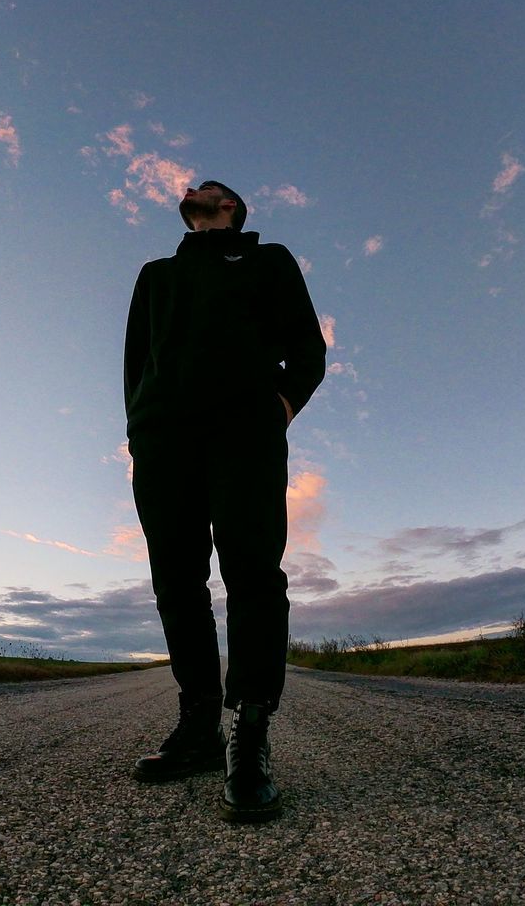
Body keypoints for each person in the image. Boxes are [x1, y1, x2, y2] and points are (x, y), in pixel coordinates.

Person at [123, 180, 326, 822]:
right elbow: (135, 363)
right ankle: (199, 731)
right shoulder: (156, 275)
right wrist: (141, 427)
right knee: (176, 582)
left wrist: (281, 407)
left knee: (252, 574)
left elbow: (308, 349)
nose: (193, 190)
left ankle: (251, 736)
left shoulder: (269, 261)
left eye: (209, 188)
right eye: (191, 187)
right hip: (164, 441)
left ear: (233, 206)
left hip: (245, 431)